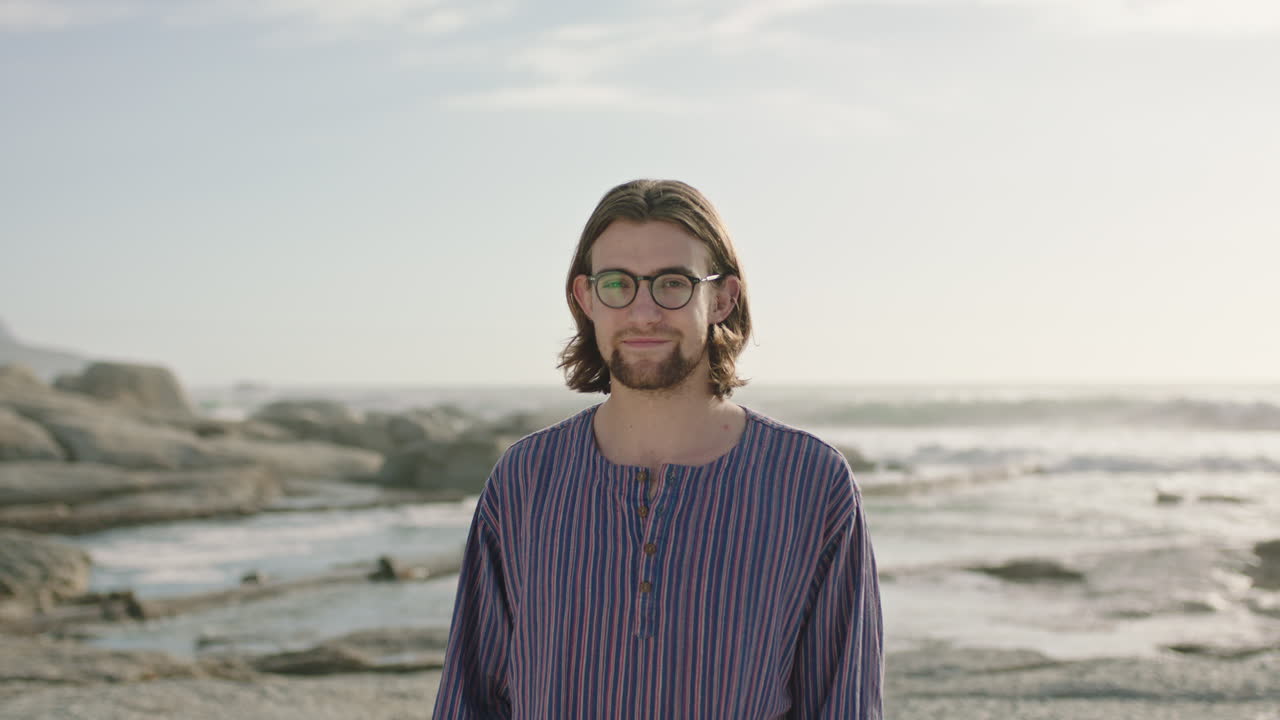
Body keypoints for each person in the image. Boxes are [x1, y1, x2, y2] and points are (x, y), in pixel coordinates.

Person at [431, 179, 883, 719]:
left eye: (672, 284)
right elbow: (471, 696)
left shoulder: (810, 482)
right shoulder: (526, 479)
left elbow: (843, 703)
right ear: (586, 297)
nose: (643, 312)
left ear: (722, 298)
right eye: (618, 284)